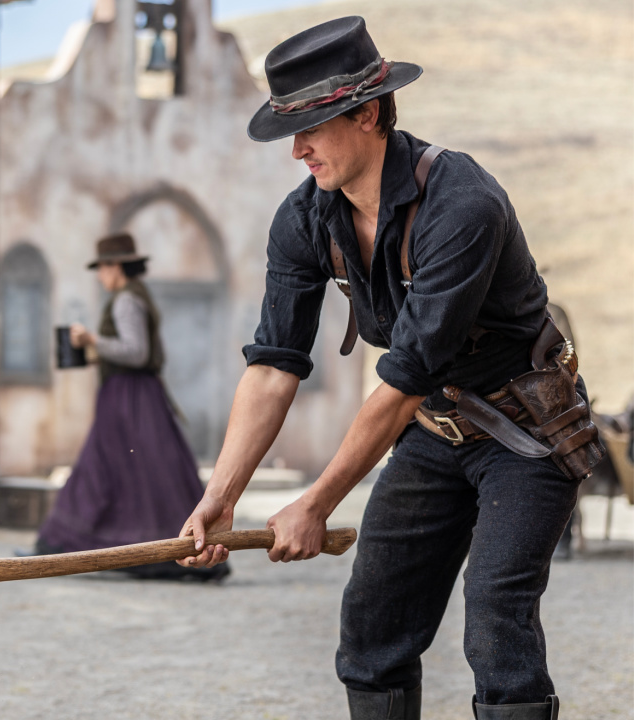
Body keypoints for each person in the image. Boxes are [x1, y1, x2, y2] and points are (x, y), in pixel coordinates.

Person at [176, 17, 603, 719]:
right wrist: (221, 495)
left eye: (311, 128)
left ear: (368, 114)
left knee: (496, 618)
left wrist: (316, 503)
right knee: (373, 628)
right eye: (291, 131)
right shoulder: (305, 219)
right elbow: (275, 366)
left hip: (528, 433)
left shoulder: (463, 205)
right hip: (434, 431)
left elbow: (405, 377)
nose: (297, 150)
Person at [29, 232, 229, 582]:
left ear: (116, 267)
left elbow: (136, 352)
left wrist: (91, 339)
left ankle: (62, 547)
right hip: (130, 395)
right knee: (137, 472)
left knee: (115, 470)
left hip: (130, 399)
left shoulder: (126, 300)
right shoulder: (133, 296)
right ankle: (162, 549)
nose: (100, 276)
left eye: (103, 268)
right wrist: (91, 352)